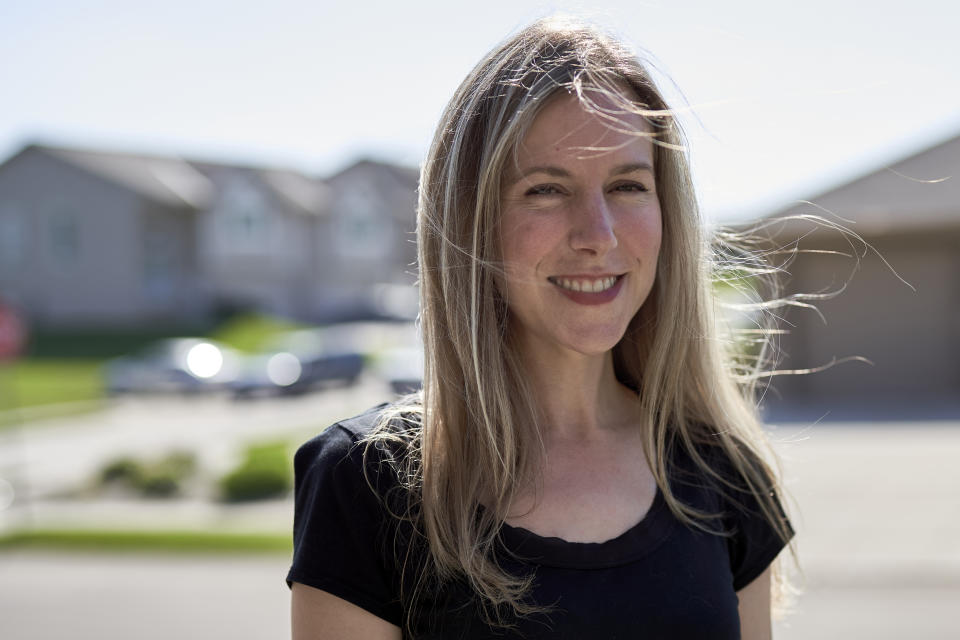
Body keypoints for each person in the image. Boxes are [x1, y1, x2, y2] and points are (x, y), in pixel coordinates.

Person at [287, 16, 794, 640]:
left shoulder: (722, 472)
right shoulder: (366, 482)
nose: (598, 236)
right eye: (547, 189)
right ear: (471, 221)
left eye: (628, 185)